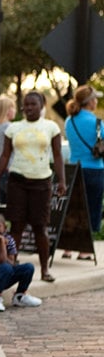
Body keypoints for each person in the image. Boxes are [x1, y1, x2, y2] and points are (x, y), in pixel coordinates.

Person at [0, 90, 66, 283]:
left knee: (40, 227)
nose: (29, 108)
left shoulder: (51, 127)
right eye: (26, 104)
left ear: (42, 106)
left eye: (33, 104)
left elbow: (57, 155)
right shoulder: (14, 128)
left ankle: (44, 270)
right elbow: (5, 155)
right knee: (16, 226)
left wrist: (62, 180)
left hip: (42, 182)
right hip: (17, 181)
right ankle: (11, 266)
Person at [64, 84, 104, 259]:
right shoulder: (97, 123)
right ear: (90, 102)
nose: (97, 101)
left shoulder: (69, 121)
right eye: (95, 98)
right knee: (91, 208)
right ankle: (85, 250)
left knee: (73, 208)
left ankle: (67, 247)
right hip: (94, 170)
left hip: (74, 169)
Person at [0, 211, 42, 312]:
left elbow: (11, 262)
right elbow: (2, 261)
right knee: (5, 267)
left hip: (4, 275)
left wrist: (3, 244)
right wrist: (2, 243)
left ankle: (20, 296)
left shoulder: (10, 240)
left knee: (28, 267)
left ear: (5, 228)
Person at [0, 94, 16, 204]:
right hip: (8, 168)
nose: (14, 110)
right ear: (6, 110)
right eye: (12, 107)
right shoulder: (9, 127)